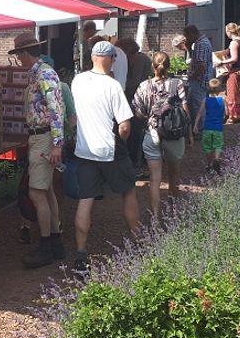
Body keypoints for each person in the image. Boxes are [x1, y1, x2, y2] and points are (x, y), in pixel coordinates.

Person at [69, 41, 138, 278]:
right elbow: (125, 125)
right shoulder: (113, 85)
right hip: (109, 148)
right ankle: (138, 243)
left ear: (92, 58)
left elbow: (75, 115)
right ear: (111, 59)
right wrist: (123, 140)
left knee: (85, 199)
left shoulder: (77, 80)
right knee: (128, 190)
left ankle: (80, 255)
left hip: (84, 149)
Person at [7, 34, 66, 268]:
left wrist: (56, 144)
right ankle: (55, 241)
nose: (18, 59)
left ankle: (46, 244)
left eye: (18, 55)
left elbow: (56, 110)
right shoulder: (38, 74)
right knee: (46, 190)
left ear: (25, 53)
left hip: (43, 138)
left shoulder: (44, 74)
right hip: (39, 137)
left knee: (37, 193)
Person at [133, 52, 191, 218]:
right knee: (174, 174)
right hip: (173, 134)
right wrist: (188, 131)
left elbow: (137, 111)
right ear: (169, 66)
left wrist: (149, 117)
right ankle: (173, 211)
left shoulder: (144, 85)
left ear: (153, 66)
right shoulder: (177, 83)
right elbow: (185, 107)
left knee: (155, 179)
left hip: (152, 134)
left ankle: (155, 217)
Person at [118, 37, 152, 171]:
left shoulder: (138, 60)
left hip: (137, 101)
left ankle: (136, 163)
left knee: (135, 133)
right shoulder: (139, 58)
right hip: (137, 99)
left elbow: (134, 82)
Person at [183, 25, 213, 140]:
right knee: (202, 105)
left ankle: (199, 131)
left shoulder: (200, 44)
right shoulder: (204, 41)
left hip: (199, 80)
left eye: (186, 36)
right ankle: (202, 130)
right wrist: (189, 48)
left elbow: (201, 66)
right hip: (205, 79)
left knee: (196, 105)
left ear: (191, 34)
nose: (186, 38)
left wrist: (191, 76)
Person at [220, 22, 240, 123]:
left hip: (235, 71)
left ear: (228, 31)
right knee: (235, 93)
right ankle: (235, 114)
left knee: (232, 94)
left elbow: (234, 58)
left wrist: (221, 62)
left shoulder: (233, 43)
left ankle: (234, 116)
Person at [203, 78, 227, 173]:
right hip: (218, 128)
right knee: (218, 146)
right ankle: (216, 159)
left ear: (208, 88)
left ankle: (209, 164)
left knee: (207, 147)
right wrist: (224, 120)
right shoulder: (222, 100)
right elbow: (227, 113)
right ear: (220, 89)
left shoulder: (205, 100)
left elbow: (200, 113)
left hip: (207, 127)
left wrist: (195, 125)